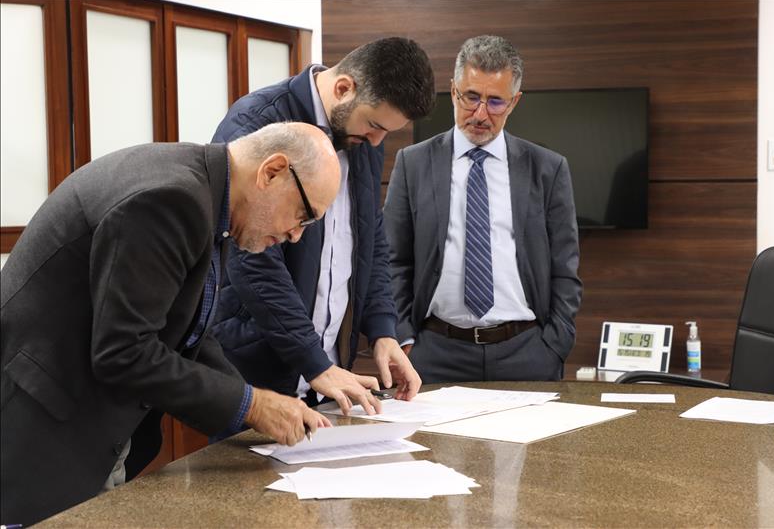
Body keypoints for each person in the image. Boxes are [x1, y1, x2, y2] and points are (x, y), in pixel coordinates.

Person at [0, 122, 339, 526]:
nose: (296, 235)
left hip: (87, 423)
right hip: (44, 430)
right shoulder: (171, 199)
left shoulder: (208, 196)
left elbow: (188, 333)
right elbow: (125, 352)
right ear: (272, 171)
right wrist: (252, 405)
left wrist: (254, 403)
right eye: (302, 215)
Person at [210, 37, 434, 416]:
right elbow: (251, 259)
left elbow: (370, 238)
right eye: (375, 126)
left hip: (329, 376)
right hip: (260, 373)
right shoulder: (257, 122)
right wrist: (312, 360)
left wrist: (382, 330)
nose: (377, 141)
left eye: (386, 133)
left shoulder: (363, 137)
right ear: (344, 88)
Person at [384, 35, 582, 384]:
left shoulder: (547, 168)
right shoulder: (413, 163)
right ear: (453, 90)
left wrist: (555, 343)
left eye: (495, 102)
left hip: (526, 353)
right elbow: (393, 260)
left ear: (515, 102)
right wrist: (405, 339)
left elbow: (564, 268)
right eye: (471, 97)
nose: (480, 114)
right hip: (434, 353)